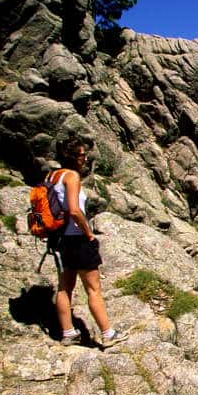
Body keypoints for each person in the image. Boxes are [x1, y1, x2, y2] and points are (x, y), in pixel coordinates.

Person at [52, 137, 128, 347]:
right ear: (73, 157)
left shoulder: (52, 176)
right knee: (93, 289)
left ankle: (68, 332)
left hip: (61, 240)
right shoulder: (72, 176)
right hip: (78, 239)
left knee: (64, 288)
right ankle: (108, 334)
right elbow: (75, 210)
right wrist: (89, 234)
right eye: (82, 154)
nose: (85, 158)